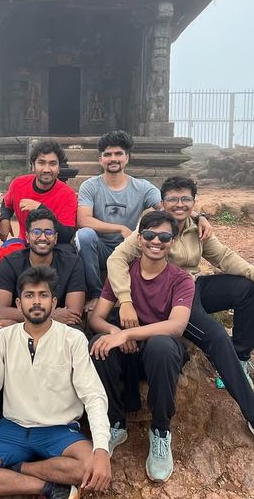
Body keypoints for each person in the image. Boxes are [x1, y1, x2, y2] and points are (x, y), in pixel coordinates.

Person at [0, 266, 111, 499]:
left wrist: (101, 450)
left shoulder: (73, 338)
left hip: (59, 431)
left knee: (91, 468)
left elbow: (93, 396)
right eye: (29, 295)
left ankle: (19, 469)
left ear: (54, 302)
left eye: (43, 295)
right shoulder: (3, 338)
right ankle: (48, 488)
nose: (36, 302)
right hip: (13, 429)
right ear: (19, 304)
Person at [107, 176, 254, 435]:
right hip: (170, 295)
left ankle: (240, 357)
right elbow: (117, 258)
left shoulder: (197, 226)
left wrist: (251, 272)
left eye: (186, 199)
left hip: (192, 285)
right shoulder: (151, 227)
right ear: (162, 203)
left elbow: (222, 257)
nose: (180, 204)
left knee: (247, 290)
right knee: (217, 337)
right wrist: (125, 299)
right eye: (173, 199)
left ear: (194, 202)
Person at [90, 210, 194, 483]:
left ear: (173, 241)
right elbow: (96, 318)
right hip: (128, 352)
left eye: (164, 236)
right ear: (139, 239)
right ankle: (115, 422)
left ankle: (160, 431)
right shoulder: (123, 274)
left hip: (161, 354)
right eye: (149, 235)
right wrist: (115, 333)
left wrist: (129, 334)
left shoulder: (181, 279)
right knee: (98, 345)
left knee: (161, 345)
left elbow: (176, 326)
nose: (156, 241)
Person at [75, 131, 210, 312]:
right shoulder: (90, 186)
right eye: (108, 155)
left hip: (132, 250)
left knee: (153, 239)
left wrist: (199, 216)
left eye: (118, 154)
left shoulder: (142, 187)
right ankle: (95, 294)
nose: (113, 159)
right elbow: (84, 220)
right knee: (85, 236)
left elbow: (168, 205)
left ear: (127, 158)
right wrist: (120, 228)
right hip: (99, 248)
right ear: (100, 160)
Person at [0, 207, 85, 328]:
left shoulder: (72, 262)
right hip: (23, 328)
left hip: (58, 329)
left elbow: (73, 314)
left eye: (48, 232)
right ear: (27, 237)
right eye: (36, 232)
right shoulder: (10, 262)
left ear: (56, 238)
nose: (42, 237)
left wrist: (19, 319)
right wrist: (51, 315)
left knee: (76, 331)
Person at [0, 140, 77, 244]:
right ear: (33, 166)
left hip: (53, 248)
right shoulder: (18, 184)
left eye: (52, 164)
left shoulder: (68, 195)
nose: (47, 169)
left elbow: (66, 236)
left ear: (59, 168)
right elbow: (7, 204)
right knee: (7, 252)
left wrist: (40, 209)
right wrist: (5, 219)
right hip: (24, 245)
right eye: (41, 163)